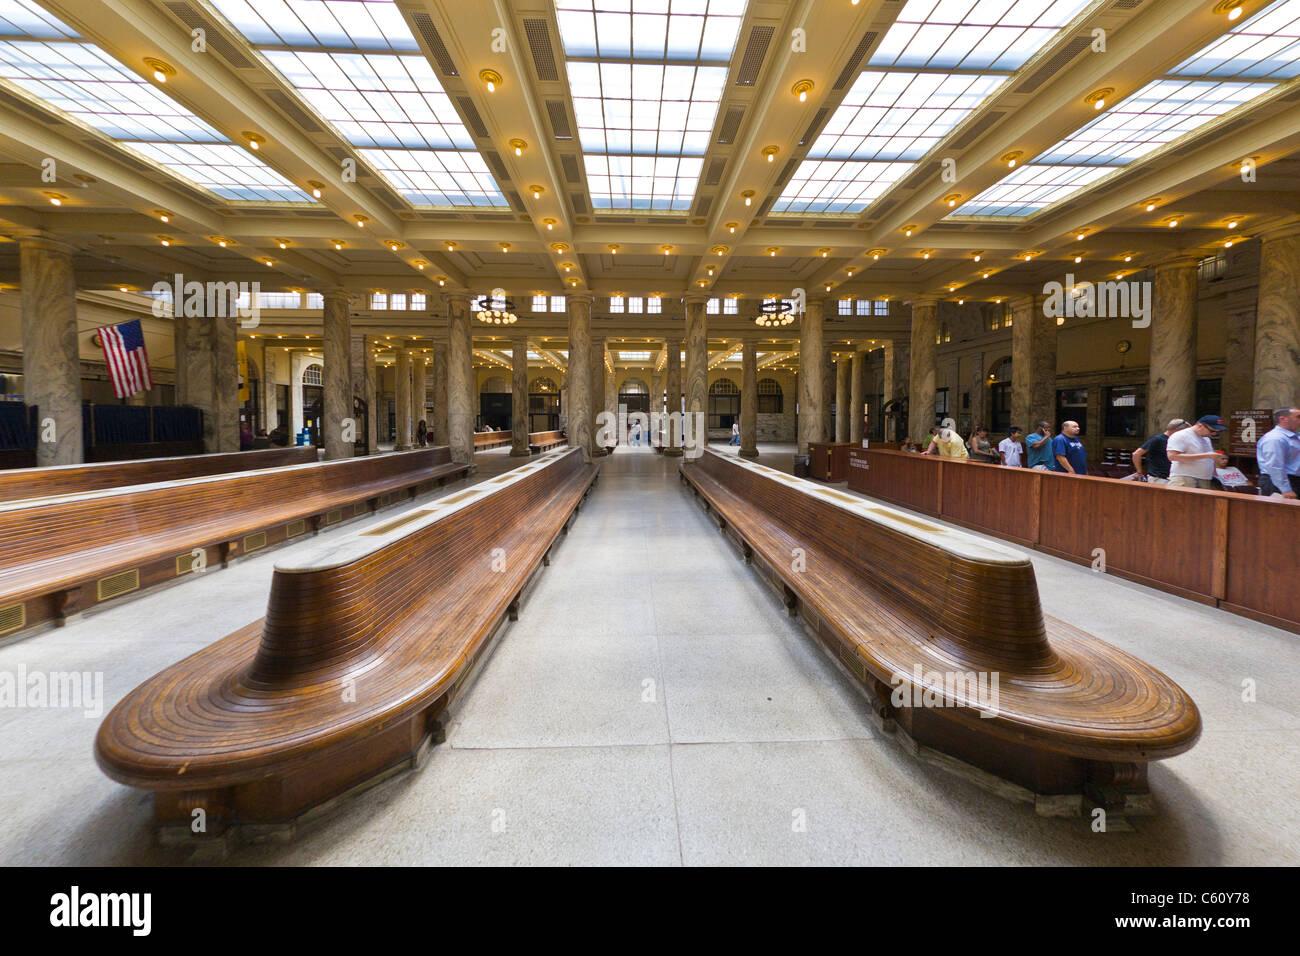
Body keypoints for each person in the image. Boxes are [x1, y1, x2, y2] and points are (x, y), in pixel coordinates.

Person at [1166, 415, 1228, 489]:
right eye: (1212, 431)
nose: (1214, 434)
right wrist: (1206, 455)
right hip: (1185, 478)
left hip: (1205, 479)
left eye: (1218, 432)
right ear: (1200, 425)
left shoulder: (1206, 439)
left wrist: (1215, 475)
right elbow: (1172, 456)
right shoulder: (1181, 435)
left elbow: (1209, 459)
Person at [1256, 406, 1300, 498]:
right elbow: (1275, 466)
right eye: (1298, 417)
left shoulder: (1296, 437)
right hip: (1278, 482)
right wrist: (1286, 489)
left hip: (1295, 480)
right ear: (1283, 419)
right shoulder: (1275, 438)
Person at [1132, 419, 1188, 484]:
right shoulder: (1157, 439)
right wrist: (1139, 472)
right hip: (1159, 478)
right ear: (1178, 430)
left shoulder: (1176, 440)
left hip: (1172, 477)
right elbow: (1136, 454)